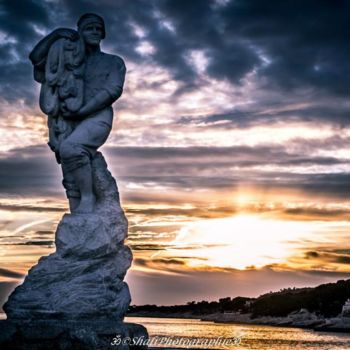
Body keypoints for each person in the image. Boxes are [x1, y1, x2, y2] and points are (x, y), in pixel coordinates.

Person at [29, 13, 126, 213]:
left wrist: (82, 111)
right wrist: (55, 35)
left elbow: (112, 91)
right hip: (66, 117)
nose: (95, 32)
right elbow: (36, 58)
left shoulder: (114, 62)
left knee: (71, 148)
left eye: (99, 29)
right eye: (90, 28)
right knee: (67, 164)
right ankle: (79, 213)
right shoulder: (67, 59)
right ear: (80, 32)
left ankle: (89, 198)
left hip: (97, 116)